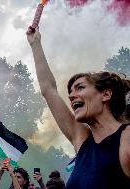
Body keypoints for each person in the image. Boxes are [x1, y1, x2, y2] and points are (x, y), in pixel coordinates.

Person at [26, 26, 130, 189]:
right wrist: (35, 44)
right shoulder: (82, 141)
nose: (71, 95)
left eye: (80, 87)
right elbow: (48, 89)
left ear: (105, 95)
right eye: (70, 91)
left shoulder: (127, 137)